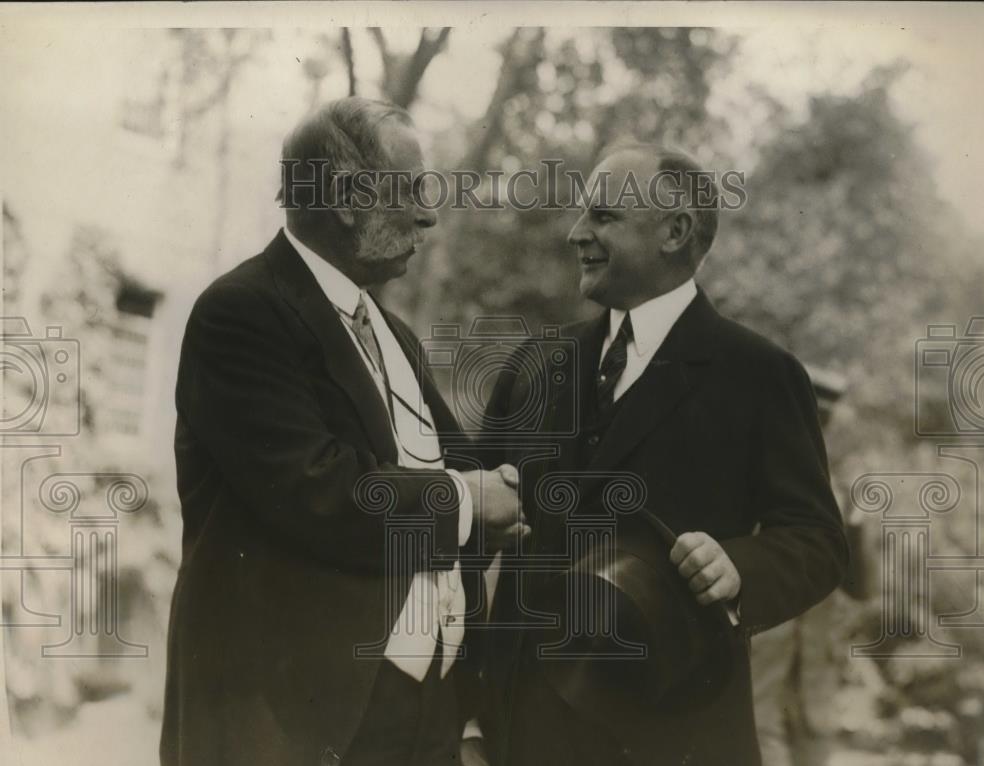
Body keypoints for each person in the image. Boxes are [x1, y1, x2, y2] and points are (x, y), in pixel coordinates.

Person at [160, 97, 525, 766]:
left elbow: (461, 464)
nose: (427, 214)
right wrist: (472, 502)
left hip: (422, 709)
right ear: (350, 197)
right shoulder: (241, 314)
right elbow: (318, 488)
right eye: (412, 190)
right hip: (297, 721)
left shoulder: (392, 335)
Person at [476, 142, 850, 766]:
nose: (576, 234)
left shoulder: (759, 374)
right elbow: (468, 544)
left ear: (674, 231)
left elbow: (818, 539)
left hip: (672, 736)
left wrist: (737, 568)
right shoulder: (532, 366)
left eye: (603, 216)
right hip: (522, 734)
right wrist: (468, 715)